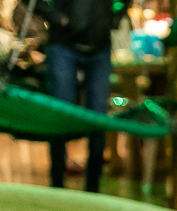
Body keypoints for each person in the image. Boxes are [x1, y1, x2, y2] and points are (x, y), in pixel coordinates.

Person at [33, 0, 131, 192]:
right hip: (63, 46)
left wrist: (115, 18)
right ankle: (57, 184)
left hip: (100, 47)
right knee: (61, 113)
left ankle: (94, 187)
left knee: (98, 117)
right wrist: (58, 19)